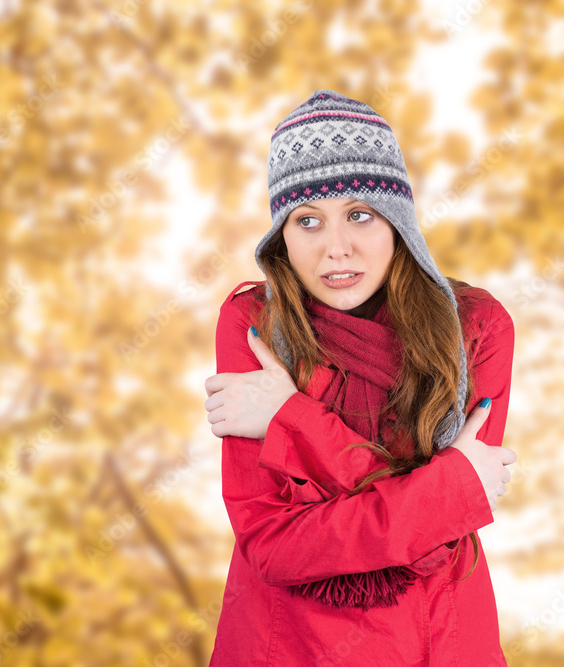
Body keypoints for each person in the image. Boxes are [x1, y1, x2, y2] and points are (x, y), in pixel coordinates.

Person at [202, 89, 517, 666]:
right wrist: (443, 489)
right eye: (308, 221)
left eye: (360, 214)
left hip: (437, 637)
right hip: (287, 642)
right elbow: (272, 544)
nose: (336, 249)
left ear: (397, 219)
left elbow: (442, 541)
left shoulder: (476, 329)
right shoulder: (254, 325)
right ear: (282, 234)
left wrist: (289, 417)